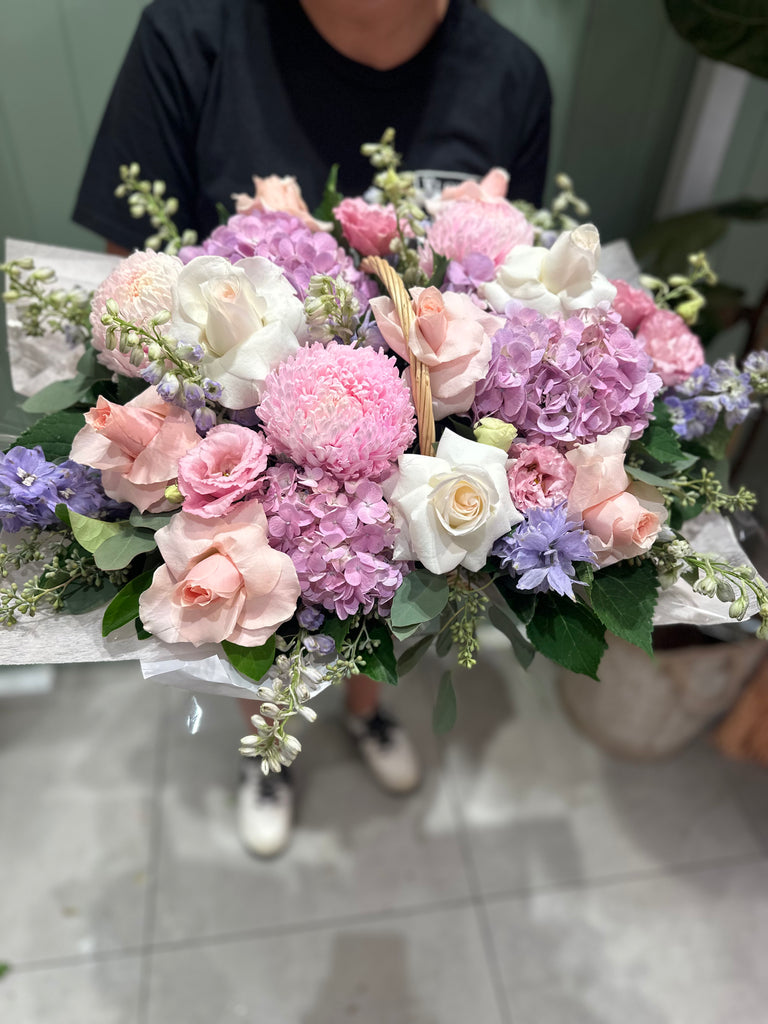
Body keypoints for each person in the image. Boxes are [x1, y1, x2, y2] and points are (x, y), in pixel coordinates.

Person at [73, 0, 551, 857]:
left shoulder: (511, 76)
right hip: (240, 441)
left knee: (381, 593)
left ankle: (368, 708)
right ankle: (269, 743)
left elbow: (523, 291)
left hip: (420, 445)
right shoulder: (190, 36)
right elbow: (134, 296)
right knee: (252, 604)